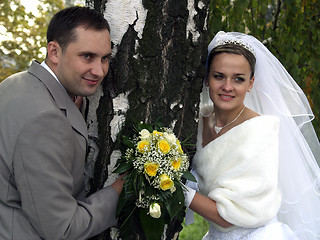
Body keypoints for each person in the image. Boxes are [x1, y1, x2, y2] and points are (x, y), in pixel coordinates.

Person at [0, 6, 125, 240]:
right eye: (87, 56)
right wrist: (119, 191)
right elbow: (62, 228)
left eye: (105, 58)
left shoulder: (14, 83)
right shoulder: (44, 120)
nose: (99, 71)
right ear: (55, 52)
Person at [183, 31, 320, 239]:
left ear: (251, 83)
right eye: (219, 76)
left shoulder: (260, 131)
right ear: (207, 78)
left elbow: (228, 216)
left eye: (238, 79)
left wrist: (169, 185)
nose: (227, 87)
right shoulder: (197, 120)